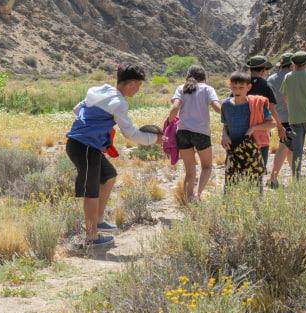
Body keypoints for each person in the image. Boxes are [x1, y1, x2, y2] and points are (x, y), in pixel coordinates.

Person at [65, 64, 161, 249]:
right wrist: (156, 139)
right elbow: (131, 134)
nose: (139, 89)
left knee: (109, 176)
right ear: (132, 84)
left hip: (81, 145)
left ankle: (98, 221)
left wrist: (95, 125)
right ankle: (91, 238)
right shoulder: (119, 103)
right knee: (91, 192)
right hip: (86, 147)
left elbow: (77, 109)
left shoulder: (98, 91)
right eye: (139, 85)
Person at [165, 65, 222, 204]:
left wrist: (168, 123)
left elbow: (175, 108)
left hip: (183, 132)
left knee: (190, 171)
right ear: (204, 77)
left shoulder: (181, 88)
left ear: (188, 76)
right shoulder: (208, 89)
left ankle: (187, 200)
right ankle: (197, 195)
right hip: (201, 132)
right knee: (207, 166)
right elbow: (217, 108)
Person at [220, 71, 276, 190]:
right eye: (234, 87)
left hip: (256, 148)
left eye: (241, 87)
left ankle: (256, 203)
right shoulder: (226, 105)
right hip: (234, 149)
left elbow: (272, 123)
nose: (237, 91)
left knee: (255, 184)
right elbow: (226, 125)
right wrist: (224, 135)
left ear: (248, 87)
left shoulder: (257, 104)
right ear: (230, 86)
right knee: (231, 184)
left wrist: (253, 128)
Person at [245, 55, 285, 168]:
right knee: (260, 165)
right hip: (262, 129)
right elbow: (272, 109)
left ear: (250, 69)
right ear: (263, 71)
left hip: (243, 129)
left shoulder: (242, 85)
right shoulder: (267, 85)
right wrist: (280, 127)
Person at [265, 54, 294, 188]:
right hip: (290, 117)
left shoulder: (271, 78)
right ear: (291, 65)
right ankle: (273, 178)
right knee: (284, 146)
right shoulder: (291, 78)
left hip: (276, 117)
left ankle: (296, 176)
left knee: (289, 148)